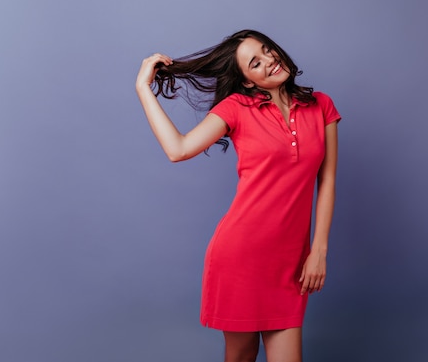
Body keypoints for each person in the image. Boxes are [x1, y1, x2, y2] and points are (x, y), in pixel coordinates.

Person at [135, 30, 340, 362]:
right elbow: (179, 149)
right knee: (242, 355)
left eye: (268, 50)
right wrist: (143, 89)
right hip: (240, 257)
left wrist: (319, 250)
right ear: (246, 81)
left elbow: (327, 181)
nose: (270, 60)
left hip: (291, 263)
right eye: (255, 62)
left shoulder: (321, 106)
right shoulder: (237, 108)